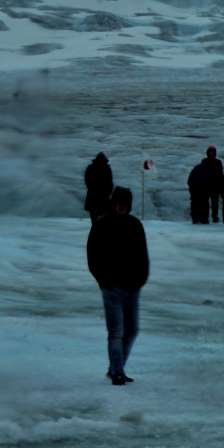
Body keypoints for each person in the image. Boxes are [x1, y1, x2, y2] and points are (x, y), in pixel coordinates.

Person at [86, 185, 149, 385]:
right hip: (111, 287)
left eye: (125, 204)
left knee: (132, 330)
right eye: (119, 203)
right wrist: (103, 280)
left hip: (133, 286)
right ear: (113, 203)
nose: (121, 207)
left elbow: (142, 254)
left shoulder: (135, 224)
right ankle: (117, 371)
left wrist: (141, 278)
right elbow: (92, 256)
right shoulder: (102, 225)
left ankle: (116, 367)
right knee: (116, 331)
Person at [84, 153, 113, 223]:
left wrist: (91, 189)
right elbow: (110, 183)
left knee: (94, 218)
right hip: (104, 197)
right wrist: (108, 192)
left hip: (93, 197)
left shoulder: (90, 168)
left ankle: (95, 229)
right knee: (104, 219)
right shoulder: (107, 168)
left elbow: (87, 180)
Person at [203, 146, 223, 224]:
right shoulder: (205, 161)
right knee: (207, 202)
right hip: (208, 185)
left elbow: (220, 174)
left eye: (212, 152)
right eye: (210, 152)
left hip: (214, 185)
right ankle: (207, 217)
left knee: (213, 203)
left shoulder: (217, 162)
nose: (211, 154)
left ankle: (213, 217)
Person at [187, 159, 210, 225]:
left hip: (194, 189)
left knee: (195, 204)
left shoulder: (196, 168)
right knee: (204, 204)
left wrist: (191, 188)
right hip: (203, 189)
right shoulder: (207, 169)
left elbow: (189, 180)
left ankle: (195, 219)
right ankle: (204, 219)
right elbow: (209, 180)